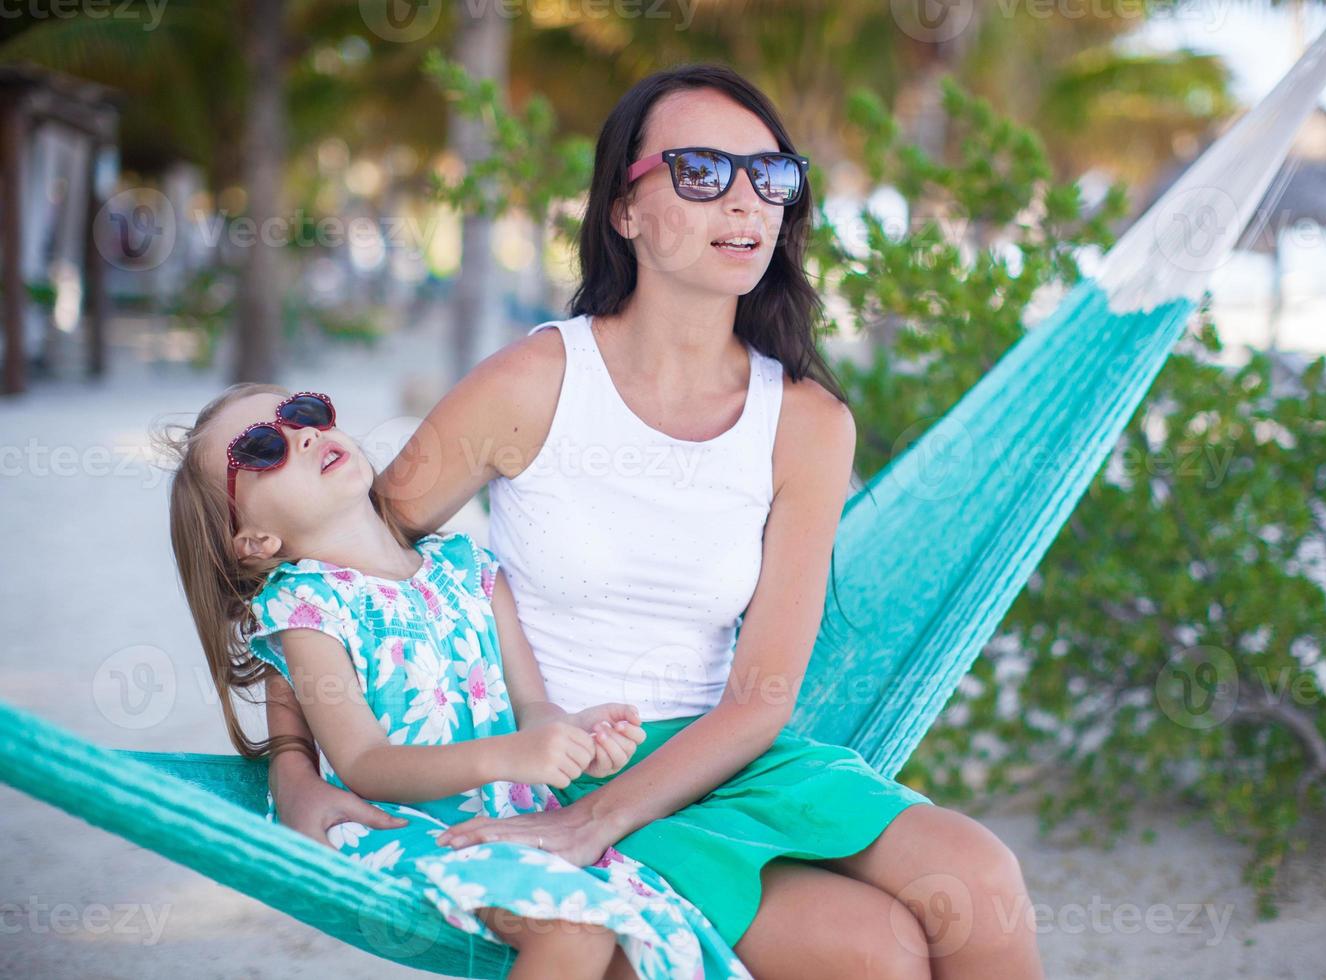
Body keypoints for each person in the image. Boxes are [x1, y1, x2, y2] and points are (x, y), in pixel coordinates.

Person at [272, 63, 1045, 979]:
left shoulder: (807, 423)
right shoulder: (534, 385)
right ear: (624, 211)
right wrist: (292, 769)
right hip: (560, 763)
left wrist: (593, 825)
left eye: (773, 176)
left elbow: (761, 698)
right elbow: (337, 559)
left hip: (729, 756)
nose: (748, 201)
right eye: (703, 172)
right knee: (873, 952)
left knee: (983, 884)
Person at [160, 383, 752, 980]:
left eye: (303, 414)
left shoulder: (468, 568)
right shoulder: (308, 609)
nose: (304, 434)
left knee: (646, 933)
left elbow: (532, 705)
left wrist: (574, 740)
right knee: (575, 934)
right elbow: (363, 760)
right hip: (406, 829)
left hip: (512, 819)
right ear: (256, 541)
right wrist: (513, 755)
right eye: (263, 449)